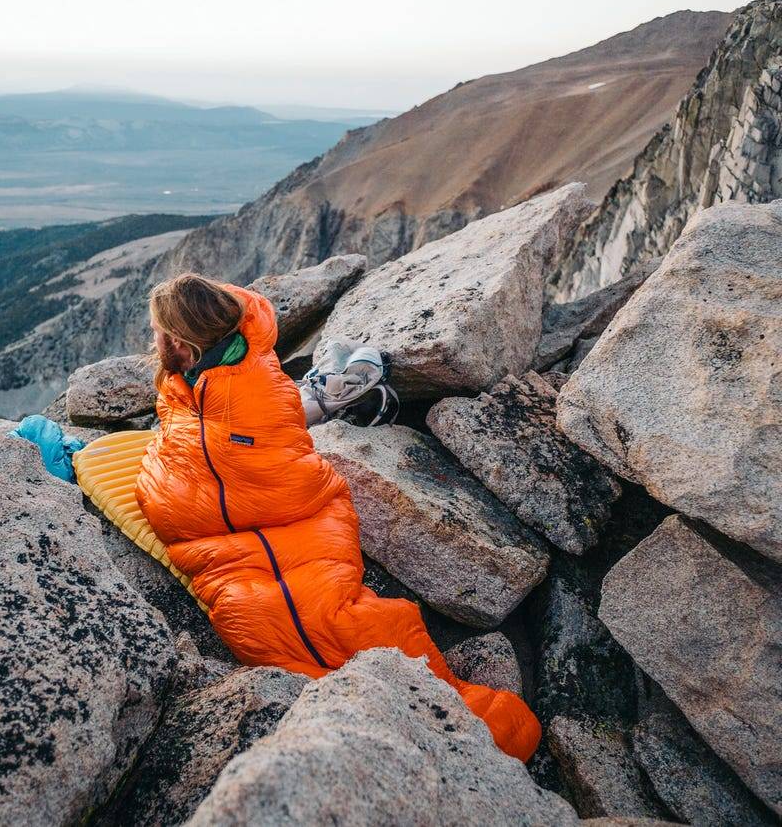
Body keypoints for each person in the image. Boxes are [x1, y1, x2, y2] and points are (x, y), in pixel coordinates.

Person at [134, 273, 542, 762]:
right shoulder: (197, 381)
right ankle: (332, 390)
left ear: (179, 341)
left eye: (158, 333)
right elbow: (200, 454)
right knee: (289, 625)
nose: (155, 342)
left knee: (327, 625)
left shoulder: (251, 390)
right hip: (238, 538)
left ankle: (483, 732)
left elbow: (257, 471)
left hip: (291, 526)